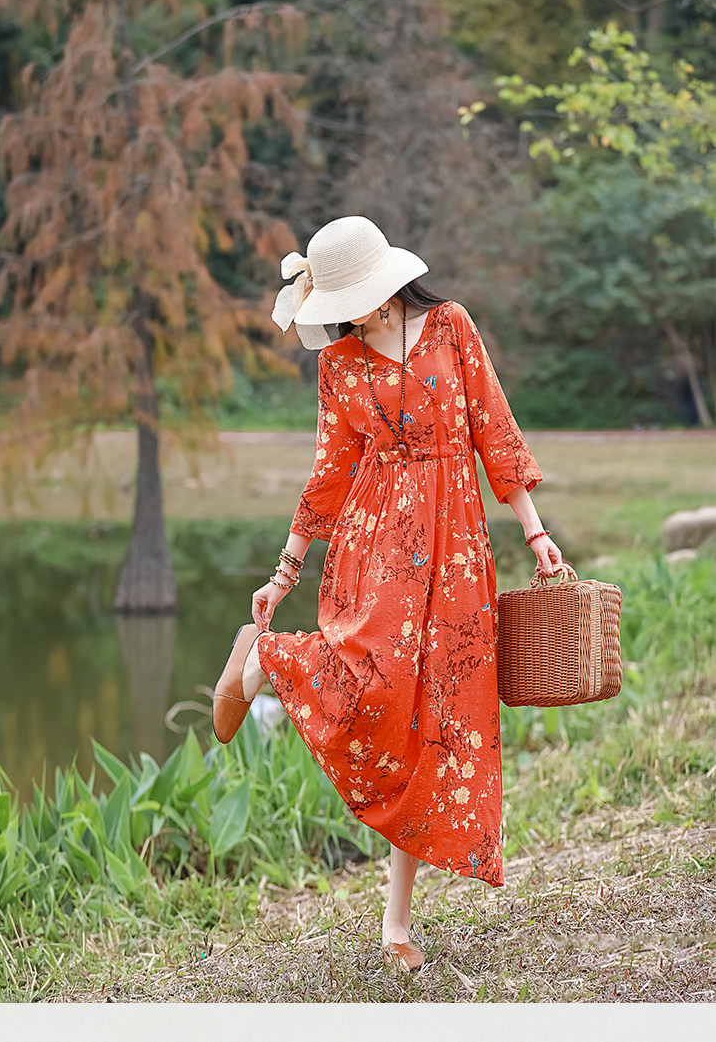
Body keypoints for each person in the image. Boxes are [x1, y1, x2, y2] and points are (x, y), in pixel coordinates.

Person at [212, 215, 563, 972]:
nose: (357, 316)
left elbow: (495, 430)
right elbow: (328, 473)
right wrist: (283, 573)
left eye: (362, 301)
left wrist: (536, 534)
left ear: (389, 282)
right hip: (377, 547)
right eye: (344, 307)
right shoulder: (338, 365)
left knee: (432, 722)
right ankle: (268, 657)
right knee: (375, 690)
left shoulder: (452, 327)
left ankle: (396, 925)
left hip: (457, 553)